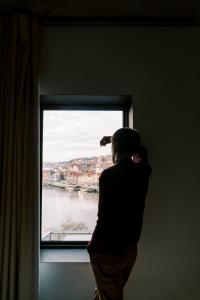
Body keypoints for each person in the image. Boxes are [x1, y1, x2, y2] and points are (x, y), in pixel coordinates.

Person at [87, 128, 151, 300]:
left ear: (115, 149)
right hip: (129, 250)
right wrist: (114, 139)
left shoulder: (107, 176)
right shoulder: (143, 173)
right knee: (106, 294)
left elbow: (103, 216)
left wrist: (112, 140)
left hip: (107, 250)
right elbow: (141, 151)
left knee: (107, 295)